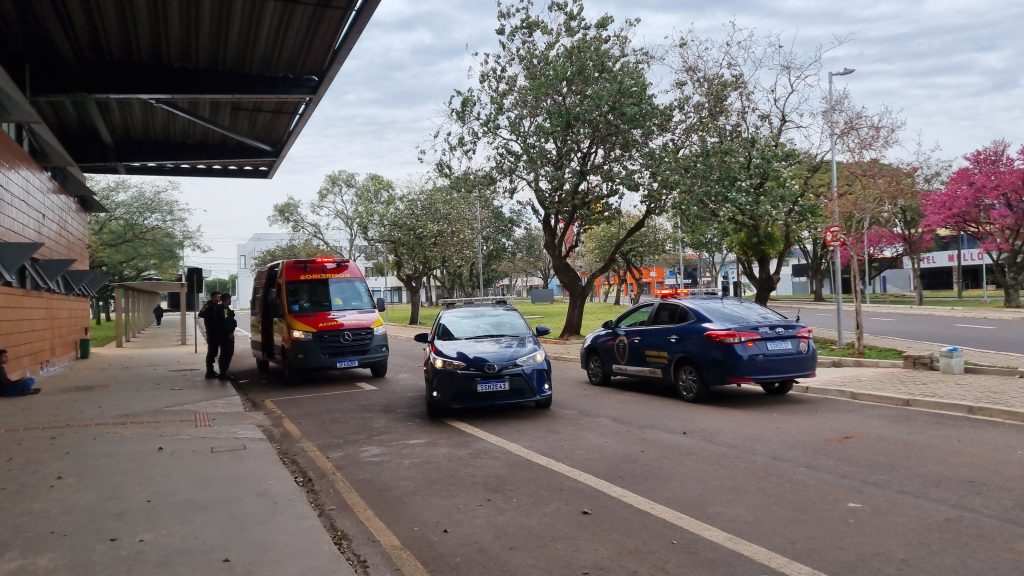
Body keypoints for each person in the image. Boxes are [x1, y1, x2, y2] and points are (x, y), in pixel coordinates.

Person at [198, 291, 222, 378]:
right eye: (218, 297)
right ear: (213, 297)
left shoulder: (218, 306)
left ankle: (211, 371)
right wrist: (212, 316)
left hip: (217, 331)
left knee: (215, 351)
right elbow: (200, 314)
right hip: (211, 332)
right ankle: (209, 371)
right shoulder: (208, 305)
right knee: (212, 352)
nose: (219, 298)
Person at [216, 293, 238, 381]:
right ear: (226, 299)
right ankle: (223, 372)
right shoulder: (224, 309)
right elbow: (226, 321)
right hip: (225, 335)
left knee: (224, 353)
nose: (230, 301)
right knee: (227, 353)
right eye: (229, 299)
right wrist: (229, 333)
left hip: (222, 334)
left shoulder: (221, 308)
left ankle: (223, 371)